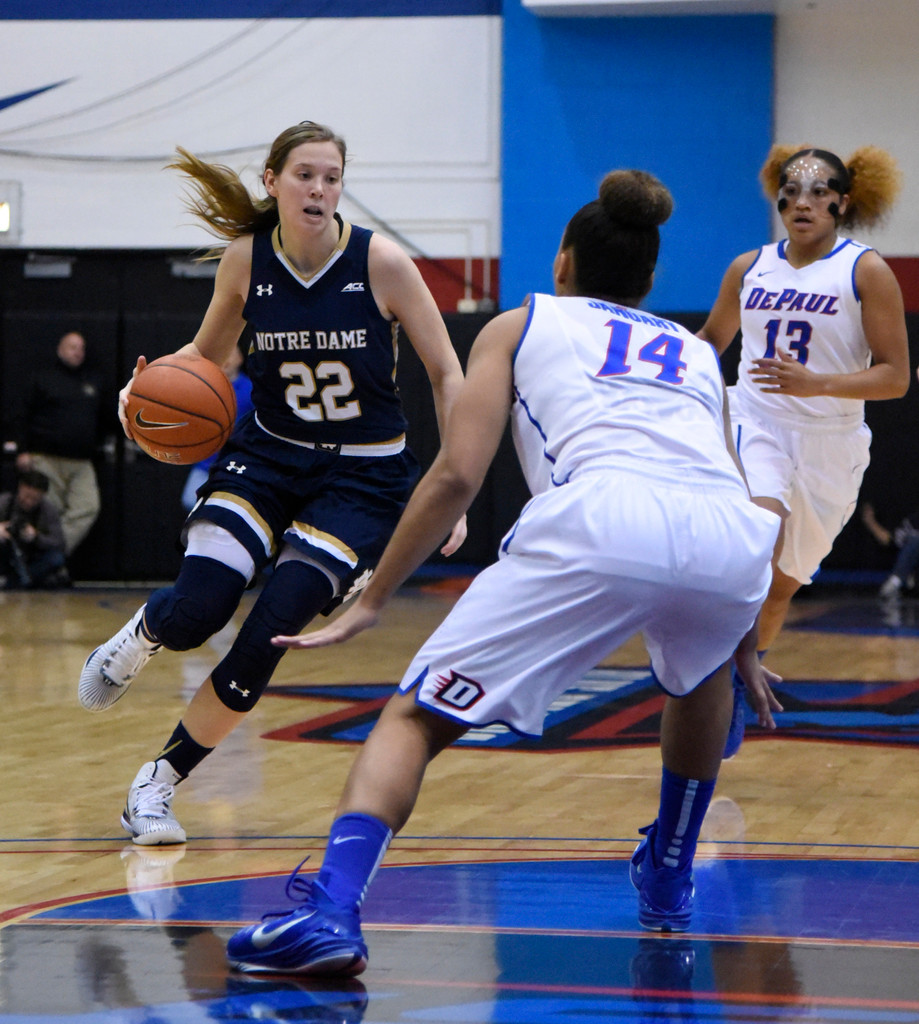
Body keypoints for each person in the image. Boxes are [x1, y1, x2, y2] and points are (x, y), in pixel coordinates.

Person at [224, 168, 782, 976]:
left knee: (412, 719)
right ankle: (666, 874)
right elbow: (729, 488)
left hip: (602, 517)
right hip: (732, 541)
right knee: (700, 679)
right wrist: (744, 645)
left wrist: (372, 597)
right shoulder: (696, 356)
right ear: (650, 279)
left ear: (562, 263)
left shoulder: (522, 324)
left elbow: (455, 475)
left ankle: (333, 911)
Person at [76, 121, 466, 845]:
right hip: (270, 458)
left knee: (267, 635)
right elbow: (208, 356)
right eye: (305, 175)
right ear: (272, 182)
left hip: (362, 477)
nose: (319, 189)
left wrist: (458, 483)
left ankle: (155, 786)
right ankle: (146, 631)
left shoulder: (381, 263)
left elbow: (448, 374)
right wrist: (148, 391)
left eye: (331, 177)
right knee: (198, 608)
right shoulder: (244, 261)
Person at [697, 144, 910, 757]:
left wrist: (818, 383)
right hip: (755, 421)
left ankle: (742, 675)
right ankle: (712, 685)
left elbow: (894, 377)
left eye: (820, 192)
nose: (803, 202)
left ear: (843, 201)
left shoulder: (865, 270)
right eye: (791, 191)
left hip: (831, 440)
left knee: (782, 587)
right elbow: (712, 339)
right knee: (758, 540)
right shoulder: (749, 267)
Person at [6, 330, 112, 562]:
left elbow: (105, 418)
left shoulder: (93, 381)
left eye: (82, 348)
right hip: (46, 458)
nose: (78, 352)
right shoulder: (42, 378)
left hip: (81, 461)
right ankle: (42, 563)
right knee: (47, 512)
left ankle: (50, 558)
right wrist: (22, 449)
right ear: (60, 349)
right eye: (73, 347)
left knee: (87, 507)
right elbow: (21, 415)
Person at [180, 344, 253, 512]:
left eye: (231, 354)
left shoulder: (250, 389)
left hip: (236, 462)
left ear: (240, 359)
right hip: (206, 462)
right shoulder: (204, 387)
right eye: (223, 353)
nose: (227, 359)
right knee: (190, 500)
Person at [0, 468, 68, 589]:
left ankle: (12, 582)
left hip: (31, 558)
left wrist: (36, 537)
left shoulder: (48, 510)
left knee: (56, 559)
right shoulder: (4, 502)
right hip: (6, 554)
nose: (29, 502)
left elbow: (59, 543)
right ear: (20, 487)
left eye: (35, 499)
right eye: (26, 496)